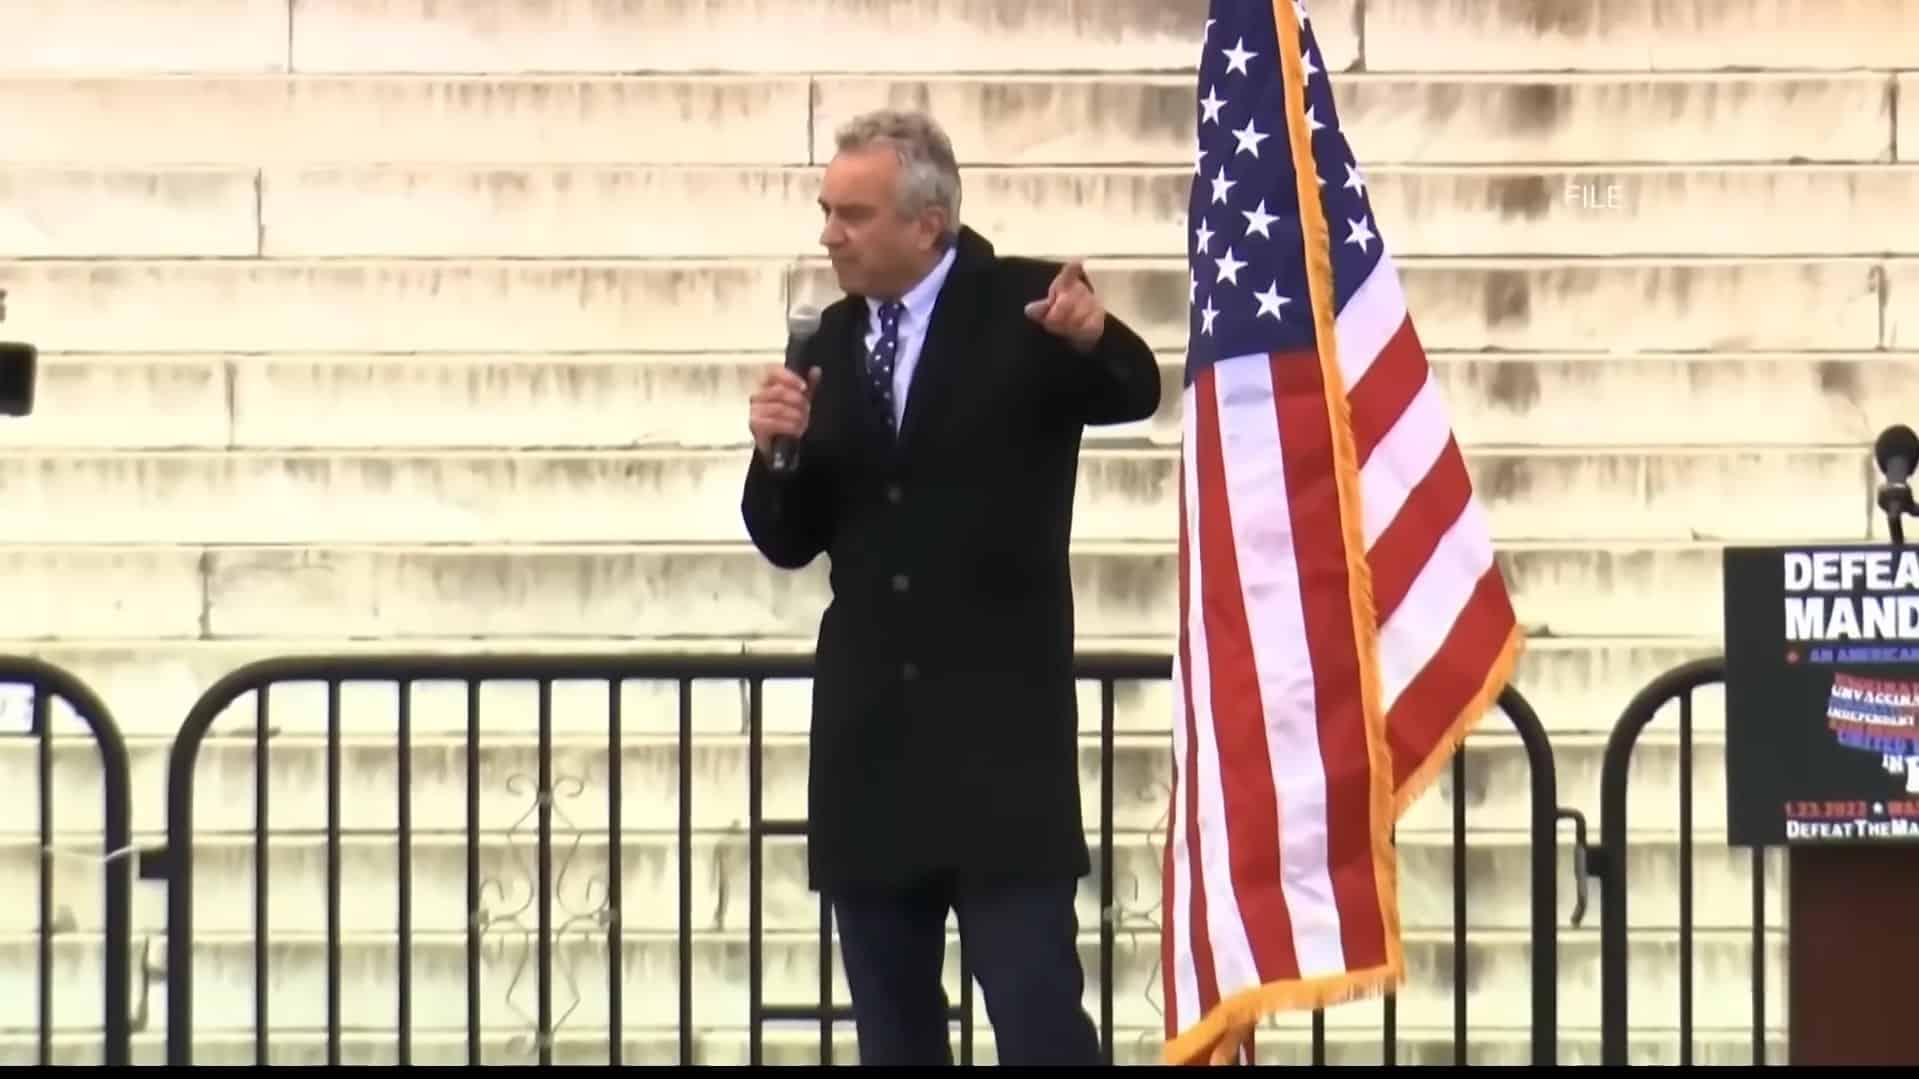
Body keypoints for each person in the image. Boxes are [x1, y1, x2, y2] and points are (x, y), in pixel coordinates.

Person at [739, 108, 1162, 1066]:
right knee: (894, 1033)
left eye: (852, 214)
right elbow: (785, 537)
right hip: (870, 749)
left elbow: (1132, 389)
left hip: (998, 751)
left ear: (926, 224)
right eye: (825, 210)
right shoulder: (829, 343)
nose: (828, 234)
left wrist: (1094, 339)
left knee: (1039, 1021)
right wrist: (775, 454)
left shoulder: (1023, 306)